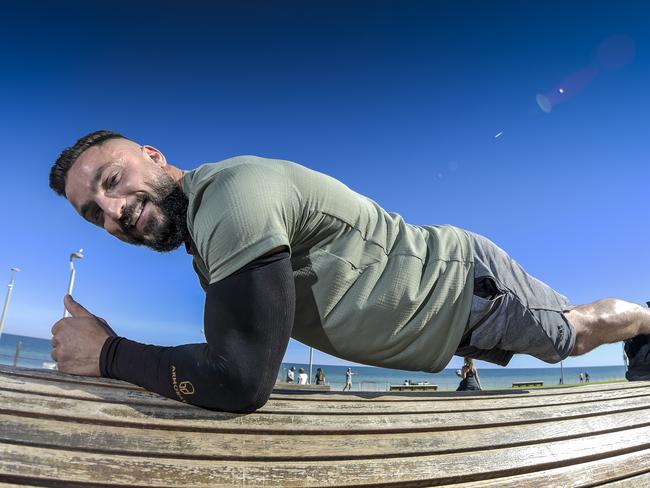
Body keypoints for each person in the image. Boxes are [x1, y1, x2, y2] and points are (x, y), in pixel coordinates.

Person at [48, 130, 650, 413]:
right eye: (93, 214)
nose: (115, 212)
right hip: (439, 320)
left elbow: (239, 379)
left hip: (459, 287)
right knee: (570, 331)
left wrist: (108, 355)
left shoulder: (231, 197)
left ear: (153, 154)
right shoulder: (204, 234)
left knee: (576, 332)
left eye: (112, 182)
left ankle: (645, 323)